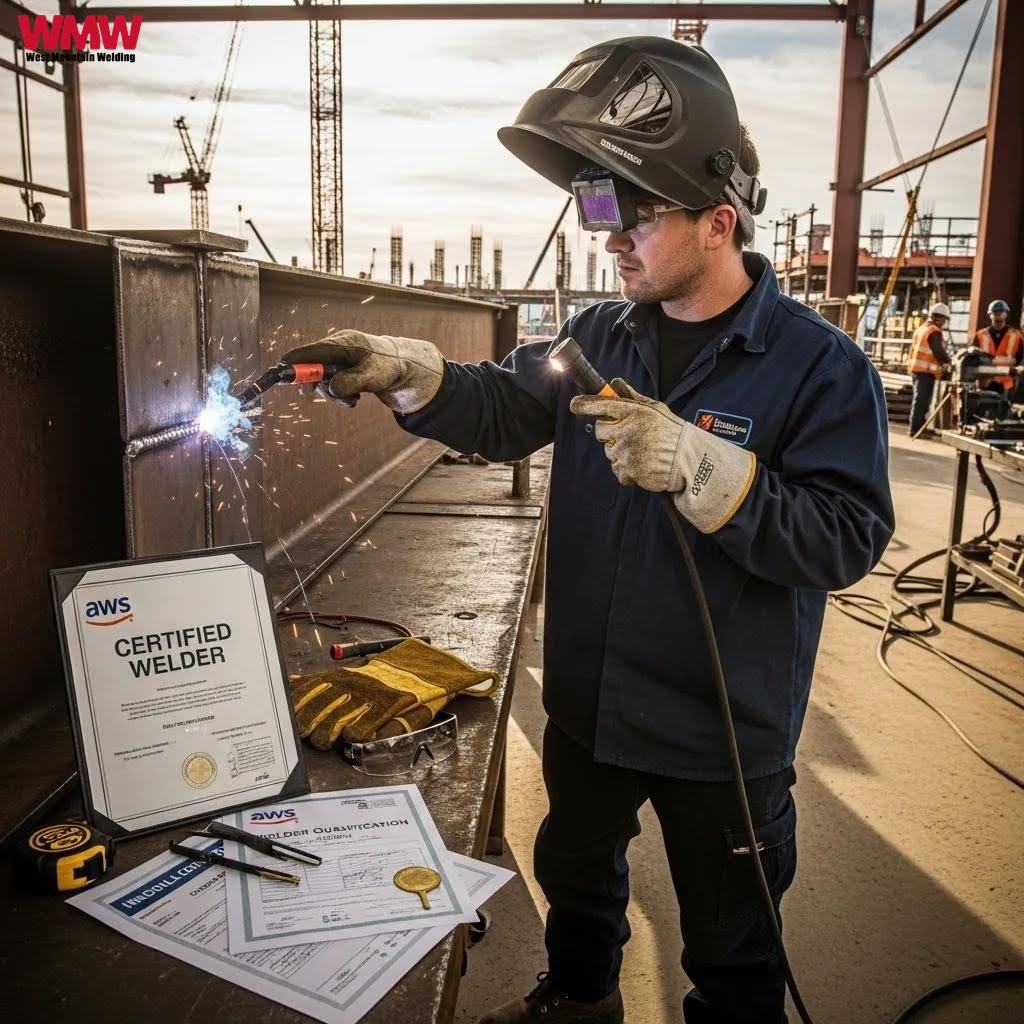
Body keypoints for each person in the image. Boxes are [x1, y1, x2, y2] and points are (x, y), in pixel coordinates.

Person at [284, 37, 895, 1024]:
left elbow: (844, 536)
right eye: (594, 207)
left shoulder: (819, 368)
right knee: (576, 878)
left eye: (630, 213)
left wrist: (706, 468)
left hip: (722, 738)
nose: (605, 236)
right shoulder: (601, 340)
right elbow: (498, 407)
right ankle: (577, 1000)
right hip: (592, 710)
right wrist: (412, 373)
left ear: (717, 219)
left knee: (735, 946)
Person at [906, 302, 951, 437]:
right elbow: (938, 351)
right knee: (922, 400)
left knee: (921, 400)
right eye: (944, 320)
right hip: (925, 370)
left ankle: (920, 426)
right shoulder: (934, 331)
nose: (944, 323)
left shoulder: (922, 328)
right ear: (940, 318)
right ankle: (915, 428)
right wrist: (949, 361)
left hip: (917, 369)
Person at [974, 299, 1022, 394]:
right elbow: (972, 359)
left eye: (1001, 312)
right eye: (995, 313)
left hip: (1006, 385)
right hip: (984, 384)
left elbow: (1022, 359)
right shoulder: (980, 335)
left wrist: (1019, 370)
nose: (998, 315)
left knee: (1003, 408)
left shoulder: (1016, 336)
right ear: (990, 315)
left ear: (1006, 314)